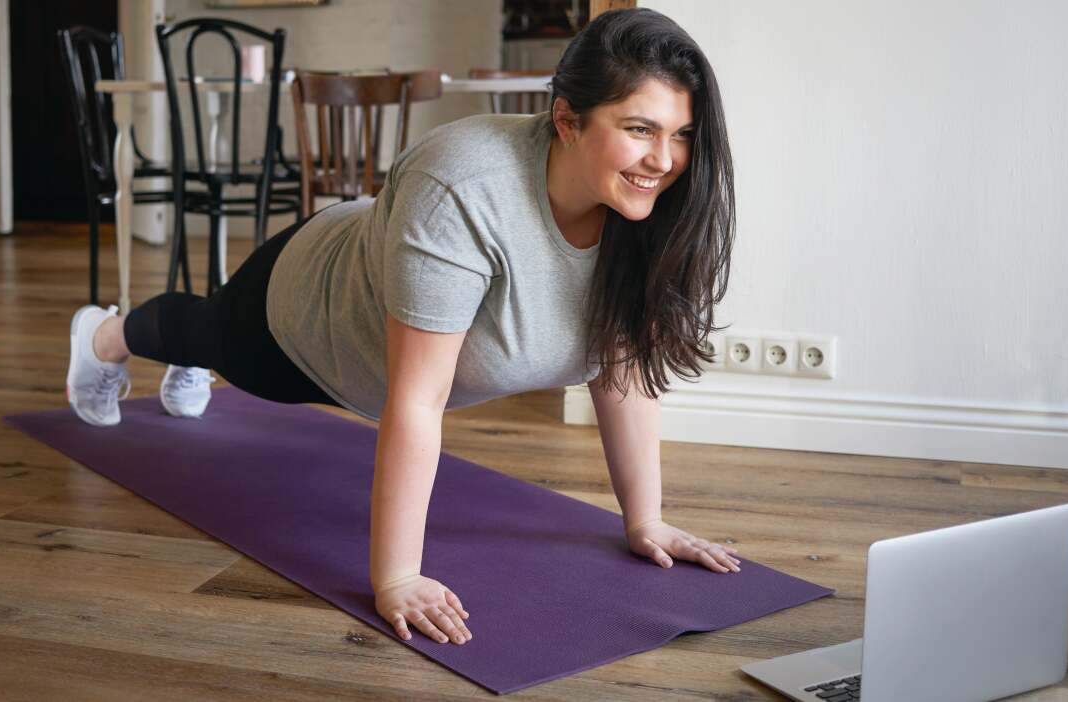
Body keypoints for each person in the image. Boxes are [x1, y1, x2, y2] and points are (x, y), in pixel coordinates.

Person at [64, 7, 739, 648]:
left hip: (384, 263)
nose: (665, 158)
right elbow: (416, 401)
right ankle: (105, 337)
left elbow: (620, 370)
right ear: (566, 119)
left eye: (681, 134)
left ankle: (173, 351)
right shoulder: (466, 187)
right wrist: (396, 577)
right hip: (307, 315)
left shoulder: (646, 209)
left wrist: (644, 520)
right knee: (202, 331)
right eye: (641, 129)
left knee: (201, 336)